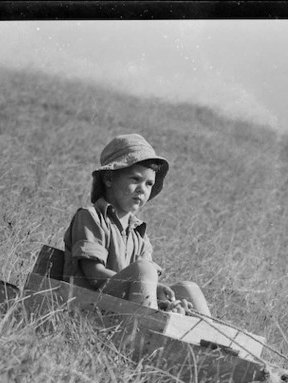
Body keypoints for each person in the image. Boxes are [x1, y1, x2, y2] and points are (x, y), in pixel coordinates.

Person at [63, 133, 211, 316]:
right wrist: (144, 281)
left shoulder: (138, 233)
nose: (143, 189)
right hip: (86, 305)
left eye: (149, 184)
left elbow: (144, 287)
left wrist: (166, 304)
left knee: (187, 289)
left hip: (123, 306)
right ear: (109, 179)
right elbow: (93, 274)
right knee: (144, 268)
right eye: (135, 179)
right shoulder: (91, 217)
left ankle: (206, 338)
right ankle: (146, 328)